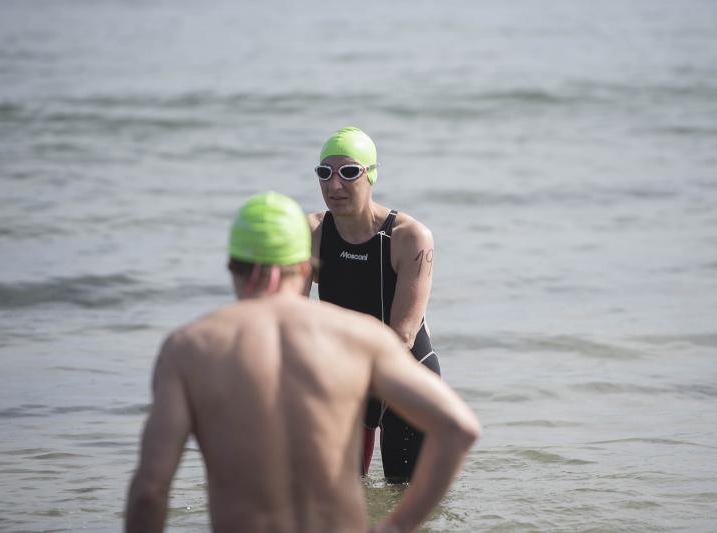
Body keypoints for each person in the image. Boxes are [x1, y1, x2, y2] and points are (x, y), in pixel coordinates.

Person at [125, 192, 480, 533]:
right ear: (304, 264)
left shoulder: (189, 350)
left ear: (233, 265)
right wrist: (398, 525)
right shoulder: (359, 339)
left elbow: (149, 490)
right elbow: (459, 428)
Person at [308, 127, 441, 482]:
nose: (334, 185)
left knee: (406, 501)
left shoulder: (410, 237)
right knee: (335, 499)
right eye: (325, 173)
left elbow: (403, 335)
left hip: (405, 377)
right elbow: (288, 317)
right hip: (345, 380)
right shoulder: (313, 233)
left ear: (371, 175)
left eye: (349, 172)